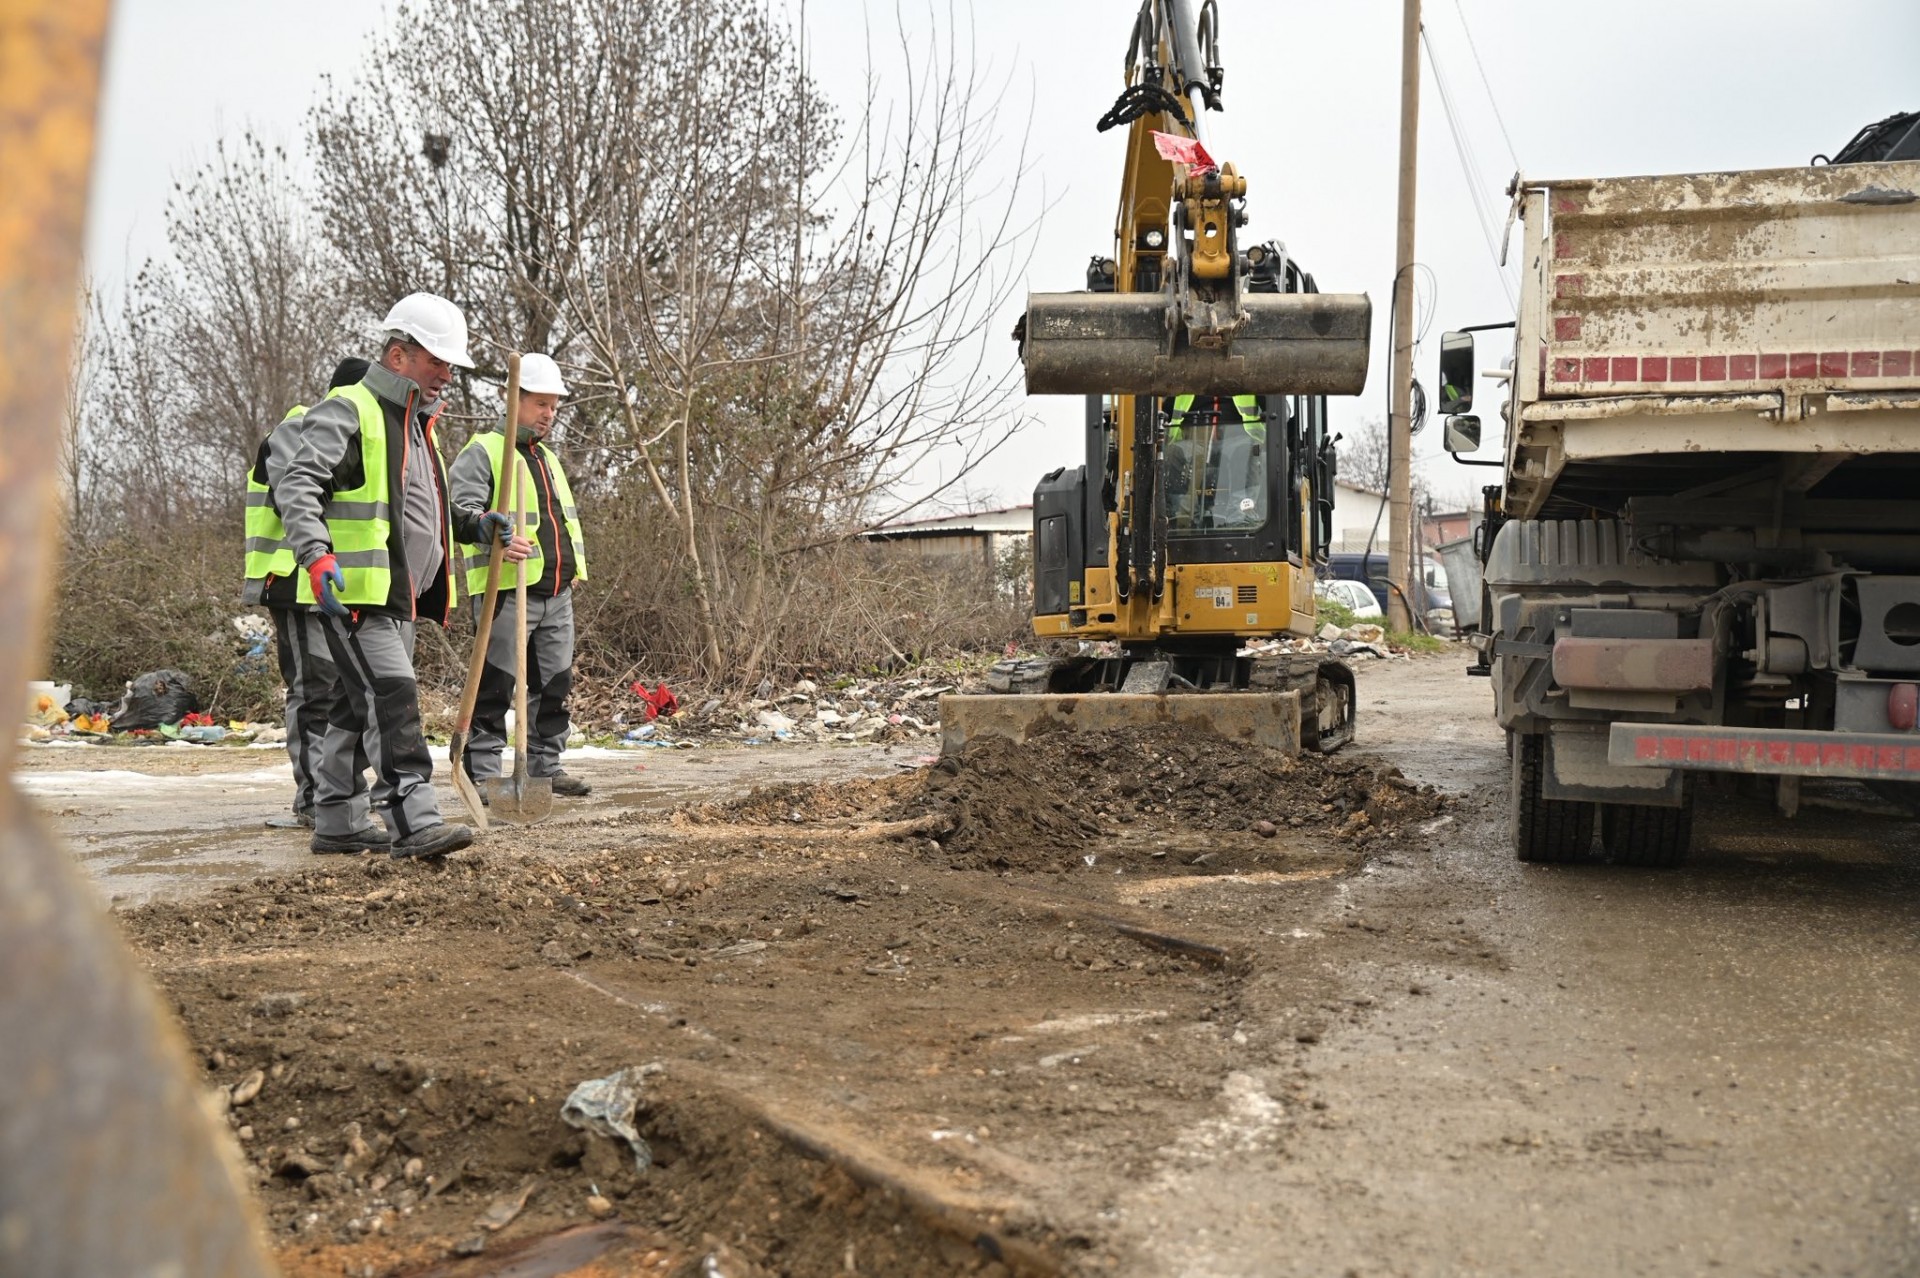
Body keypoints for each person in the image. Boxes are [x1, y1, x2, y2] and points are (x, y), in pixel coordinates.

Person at [275, 293, 476, 859]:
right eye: (436, 361)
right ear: (397, 355)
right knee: (391, 696)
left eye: (450, 365)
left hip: (398, 596)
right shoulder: (350, 409)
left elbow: (421, 510)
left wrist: (477, 526)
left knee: (352, 706)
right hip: (356, 593)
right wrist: (316, 557)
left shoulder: (418, 426)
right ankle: (413, 818)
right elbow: (296, 482)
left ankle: (337, 819)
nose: (446, 375)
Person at [448, 353, 592, 799]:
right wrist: (494, 537)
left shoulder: (546, 457)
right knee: (496, 685)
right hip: (507, 592)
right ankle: (485, 772)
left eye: (554, 406)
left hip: (556, 592)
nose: (549, 414)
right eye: (540, 404)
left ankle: (545, 767)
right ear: (513, 400)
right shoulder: (484, 452)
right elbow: (459, 514)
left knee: (554, 686)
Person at [244, 356, 375, 832]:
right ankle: (312, 797)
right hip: (294, 582)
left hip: (332, 584)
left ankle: (336, 793)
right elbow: (295, 495)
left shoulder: (359, 434)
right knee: (313, 689)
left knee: (344, 691)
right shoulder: (298, 428)